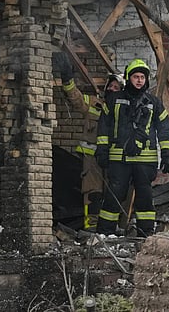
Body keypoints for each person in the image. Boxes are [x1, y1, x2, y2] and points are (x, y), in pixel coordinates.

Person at [94, 58, 169, 236]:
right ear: (129, 78)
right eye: (136, 76)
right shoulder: (114, 100)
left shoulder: (154, 103)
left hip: (145, 161)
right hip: (119, 159)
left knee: (145, 198)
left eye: (142, 77)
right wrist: (102, 150)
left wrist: (167, 154)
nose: (139, 80)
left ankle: (145, 235)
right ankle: (105, 233)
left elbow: (164, 130)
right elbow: (104, 127)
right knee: (114, 196)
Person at [54, 52, 122, 229]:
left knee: (113, 193)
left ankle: (110, 228)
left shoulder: (124, 112)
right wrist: (67, 77)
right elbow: (75, 98)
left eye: (117, 88)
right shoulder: (94, 105)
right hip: (92, 161)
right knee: (92, 193)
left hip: (114, 159)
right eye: (111, 87)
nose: (113, 90)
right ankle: (91, 228)